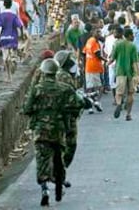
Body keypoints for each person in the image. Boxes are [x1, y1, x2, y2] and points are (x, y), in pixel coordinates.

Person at [22, 58, 84, 206]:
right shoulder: (64, 88)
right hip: (59, 130)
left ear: (43, 72)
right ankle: (59, 184)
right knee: (58, 158)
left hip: (40, 130)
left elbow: (27, 109)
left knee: (42, 158)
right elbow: (78, 103)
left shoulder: (36, 89)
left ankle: (44, 189)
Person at [54, 50, 84, 186]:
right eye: (69, 59)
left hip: (67, 115)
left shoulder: (66, 75)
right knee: (69, 145)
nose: (72, 61)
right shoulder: (63, 76)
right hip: (66, 116)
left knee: (68, 145)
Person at [109, 28, 139, 121]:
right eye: (132, 35)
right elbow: (135, 63)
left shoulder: (117, 44)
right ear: (129, 35)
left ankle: (119, 104)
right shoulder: (133, 46)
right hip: (130, 73)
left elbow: (112, 58)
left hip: (120, 71)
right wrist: (137, 74)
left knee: (119, 93)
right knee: (130, 94)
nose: (133, 36)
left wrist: (107, 64)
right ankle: (128, 115)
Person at [0, 0, 24, 81]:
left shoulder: (1, 15)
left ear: (4, 5)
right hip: (13, 38)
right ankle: (13, 60)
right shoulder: (14, 15)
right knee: (13, 53)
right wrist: (22, 35)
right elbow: (20, 26)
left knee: (5, 58)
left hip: (3, 38)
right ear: (11, 5)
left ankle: (9, 77)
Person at [82, 28, 106, 114]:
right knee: (100, 87)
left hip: (88, 67)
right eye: (98, 33)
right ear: (94, 33)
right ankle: (97, 102)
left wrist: (84, 65)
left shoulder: (89, 41)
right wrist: (107, 60)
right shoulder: (95, 42)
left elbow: (84, 53)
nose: (99, 35)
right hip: (95, 67)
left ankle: (90, 107)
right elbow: (98, 55)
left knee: (90, 87)